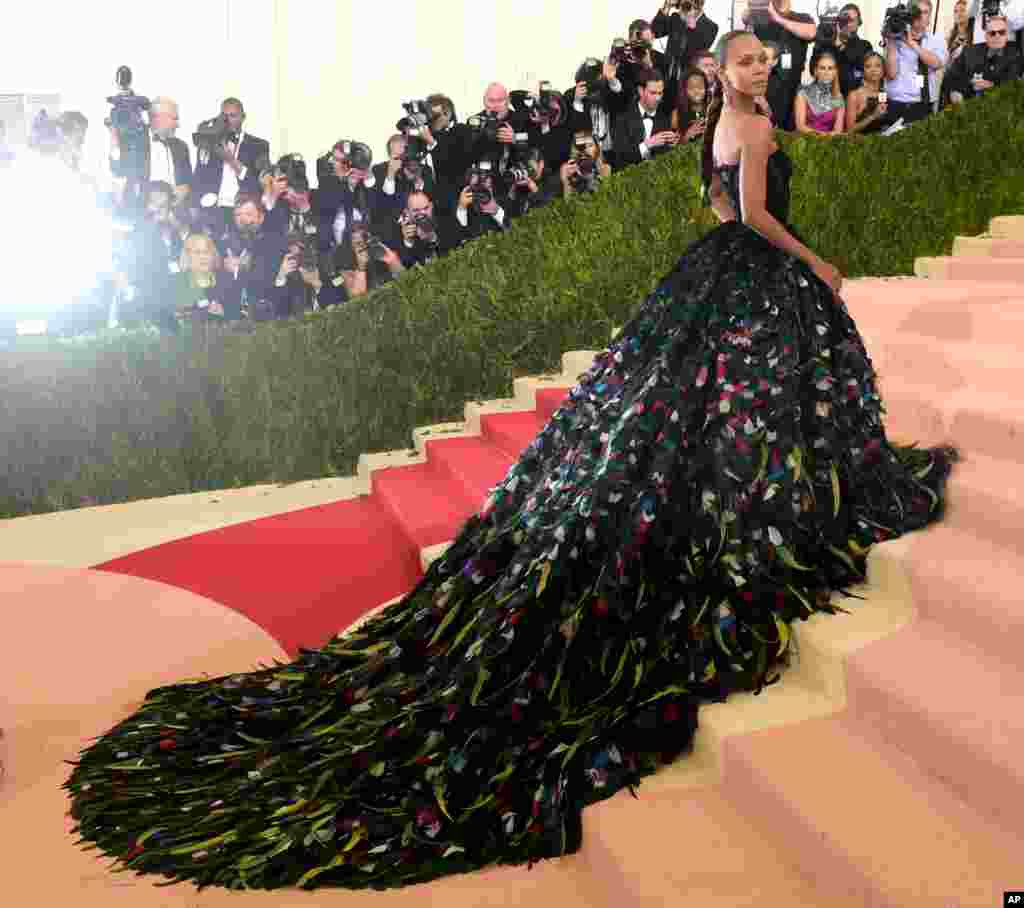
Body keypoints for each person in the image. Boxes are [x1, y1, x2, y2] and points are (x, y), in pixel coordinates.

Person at [63, 29, 958, 892]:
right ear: (721, 73)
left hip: (710, 270)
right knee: (757, 406)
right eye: (750, 60)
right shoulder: (756, 126)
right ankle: (763, 518)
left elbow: (720, 207)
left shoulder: (719, 128)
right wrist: (818, 265)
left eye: (766, 59)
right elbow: (756, 215)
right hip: (756, 273)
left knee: (705, 417)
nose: (763, 70)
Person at [794, 50, 847, 135]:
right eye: (822, 68)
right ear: (815, 71)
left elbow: (838, 130)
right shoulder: (803, 93)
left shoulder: (837, 97)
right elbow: (800, 126)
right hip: (805, 141)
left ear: (835, 72)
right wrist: (822, 136)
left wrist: (827, 138)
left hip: (829, 143)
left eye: (830, 68)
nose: (826, 72)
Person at [845, 52, 890, 134]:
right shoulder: (855, 95)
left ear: (883, 70)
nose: (873, 70)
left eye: (878, 66)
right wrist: (873, 116)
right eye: (868, 66)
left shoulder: (883, 93)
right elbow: (849, 130)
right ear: (863, 70)